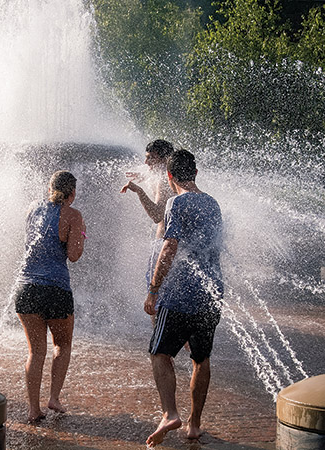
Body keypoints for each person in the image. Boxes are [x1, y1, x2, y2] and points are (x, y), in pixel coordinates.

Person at [143, 149, 223, 447]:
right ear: (196, 174)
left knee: (159, 354)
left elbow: (169, 247)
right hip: (212, 293)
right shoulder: (213, 203)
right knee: (201, 358)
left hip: (180, 294)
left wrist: (153, 289)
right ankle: (194, 424)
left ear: (169, 176)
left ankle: (170, 413)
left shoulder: (176, 202)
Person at [14, 170, 86, 424]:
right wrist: (81, 233)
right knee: (62, 345)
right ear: (72, 193)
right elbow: (74, 255)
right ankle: (54, 398)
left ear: (49, 189)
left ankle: (33, 410)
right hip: (55, 290)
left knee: (36, 351)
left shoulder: (33, 208)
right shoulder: (73, 215)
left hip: (25, 288)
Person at [120, 139, 175, 285]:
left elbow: (157, 215)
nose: (146, 162)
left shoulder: (162, 182)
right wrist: (146, 177)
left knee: (156, 294)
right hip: (173, 244)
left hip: (163, 244)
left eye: (151, 158)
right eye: (146, 157)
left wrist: (139, 191)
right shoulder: (174, 178)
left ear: (165, 159)